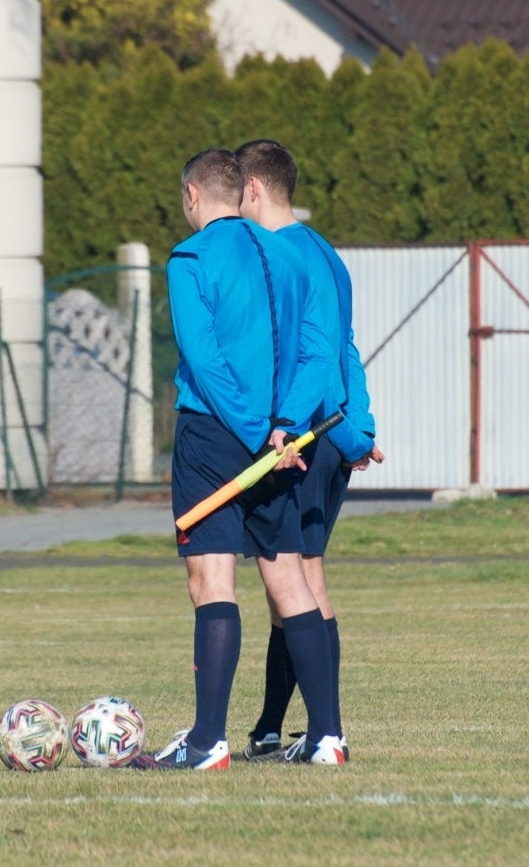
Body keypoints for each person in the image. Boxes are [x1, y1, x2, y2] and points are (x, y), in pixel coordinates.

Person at [134, 148, 346, 769]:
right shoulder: (291, 252)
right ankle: (327, 737)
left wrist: (256, 432)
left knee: (211, 582)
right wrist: (284, 428)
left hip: (215, 439)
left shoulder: (190, 257)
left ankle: (207, 741)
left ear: (194, 196)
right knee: (289, 580)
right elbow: (318, 351)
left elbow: (203, 359)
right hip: (283, 444)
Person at [234, 140, 384, 763]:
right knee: (293, 586)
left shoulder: (278, 255)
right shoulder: (326, 251)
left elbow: (320, 354)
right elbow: (347, 349)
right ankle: (273, 728)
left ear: (253, 190)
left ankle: (327, 732)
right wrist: (359, 431)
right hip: (330, 433)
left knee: (297, 583)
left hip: (300, 437)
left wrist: (301, 430)